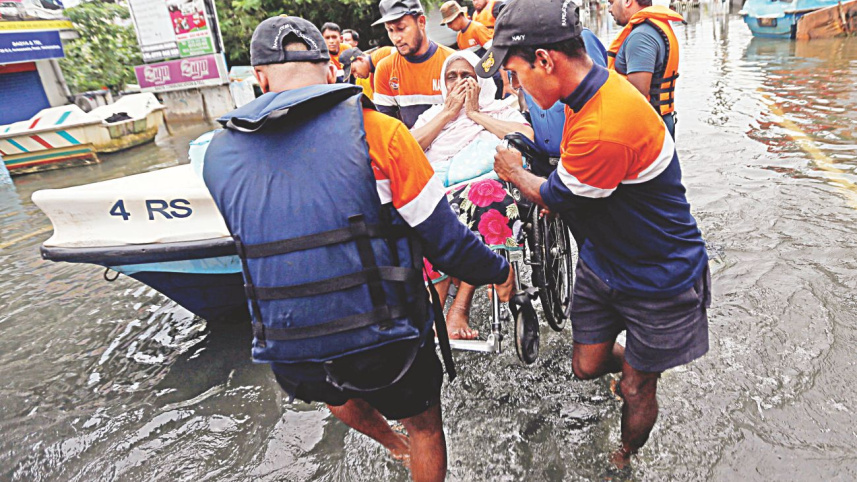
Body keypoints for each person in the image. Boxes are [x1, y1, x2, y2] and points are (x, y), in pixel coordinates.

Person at [200, 16, 512, 481]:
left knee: (332, 389)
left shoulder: (218, 156)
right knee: (426, 426)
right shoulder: (382, 134)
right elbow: (446, 244)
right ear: (329, 71)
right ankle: (410, 442)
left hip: (288, 349)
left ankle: (390, 444)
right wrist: (498, 271)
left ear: (258, 78)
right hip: (386, 343)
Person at [482, 0, 710, 468]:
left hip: (657, 274)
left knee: (633, 388)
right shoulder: (585, 95)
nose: (514, 87)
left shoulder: (605, 123)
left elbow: (553, 196)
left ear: (545, 60)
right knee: (585, 364)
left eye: (516, 73)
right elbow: (569, 182)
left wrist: (512, 171)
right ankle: (640, 364)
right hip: (605, 259)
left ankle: (624, 454)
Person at [411, 50, 532, 339]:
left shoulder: (499, 108)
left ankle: (459, 308)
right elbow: (408, 148)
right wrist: (448, 114)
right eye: (452, 77)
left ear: (482, 82)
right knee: (427, 213)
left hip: (486, 190)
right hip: (443, 190)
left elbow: (526, 137)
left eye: (468, 76)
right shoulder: (433, 115)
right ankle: (435, 308)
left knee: (481, 195)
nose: (459, 82)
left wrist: (475, 113)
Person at [515, 27, 607, 158]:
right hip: (545, 160)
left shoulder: (579, 37)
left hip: (584, 156)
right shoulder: (517, 49)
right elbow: (521, 91)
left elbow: (600, 93)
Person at [372, 0, 455, 129]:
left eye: (401, 28)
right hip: (411, 146)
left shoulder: (453, 62)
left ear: (421, 22)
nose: (395, 38)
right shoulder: (385, 69)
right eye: (390, 30)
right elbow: (387, 127)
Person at [606, 0, 683, 138]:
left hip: (648, 128)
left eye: (611, 2)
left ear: (628, 1)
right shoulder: (652, 28)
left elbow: (637, 95)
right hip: (661, 119)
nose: (609, 9)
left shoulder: (640, 36)